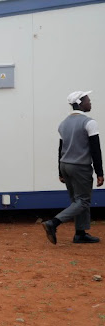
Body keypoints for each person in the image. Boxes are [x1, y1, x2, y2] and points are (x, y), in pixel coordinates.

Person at [42, 91, 103, 244]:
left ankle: (80, 234)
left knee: (77, 200)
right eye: (88, 100)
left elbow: (60, 148)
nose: (90, 103)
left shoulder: (63, 123)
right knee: (83, 201)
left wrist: (59, 171)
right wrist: (100, 172)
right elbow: (95, 149)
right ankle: (53, 223)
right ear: (80, 103)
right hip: (80, 167)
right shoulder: (89, 122)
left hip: (65, 165)